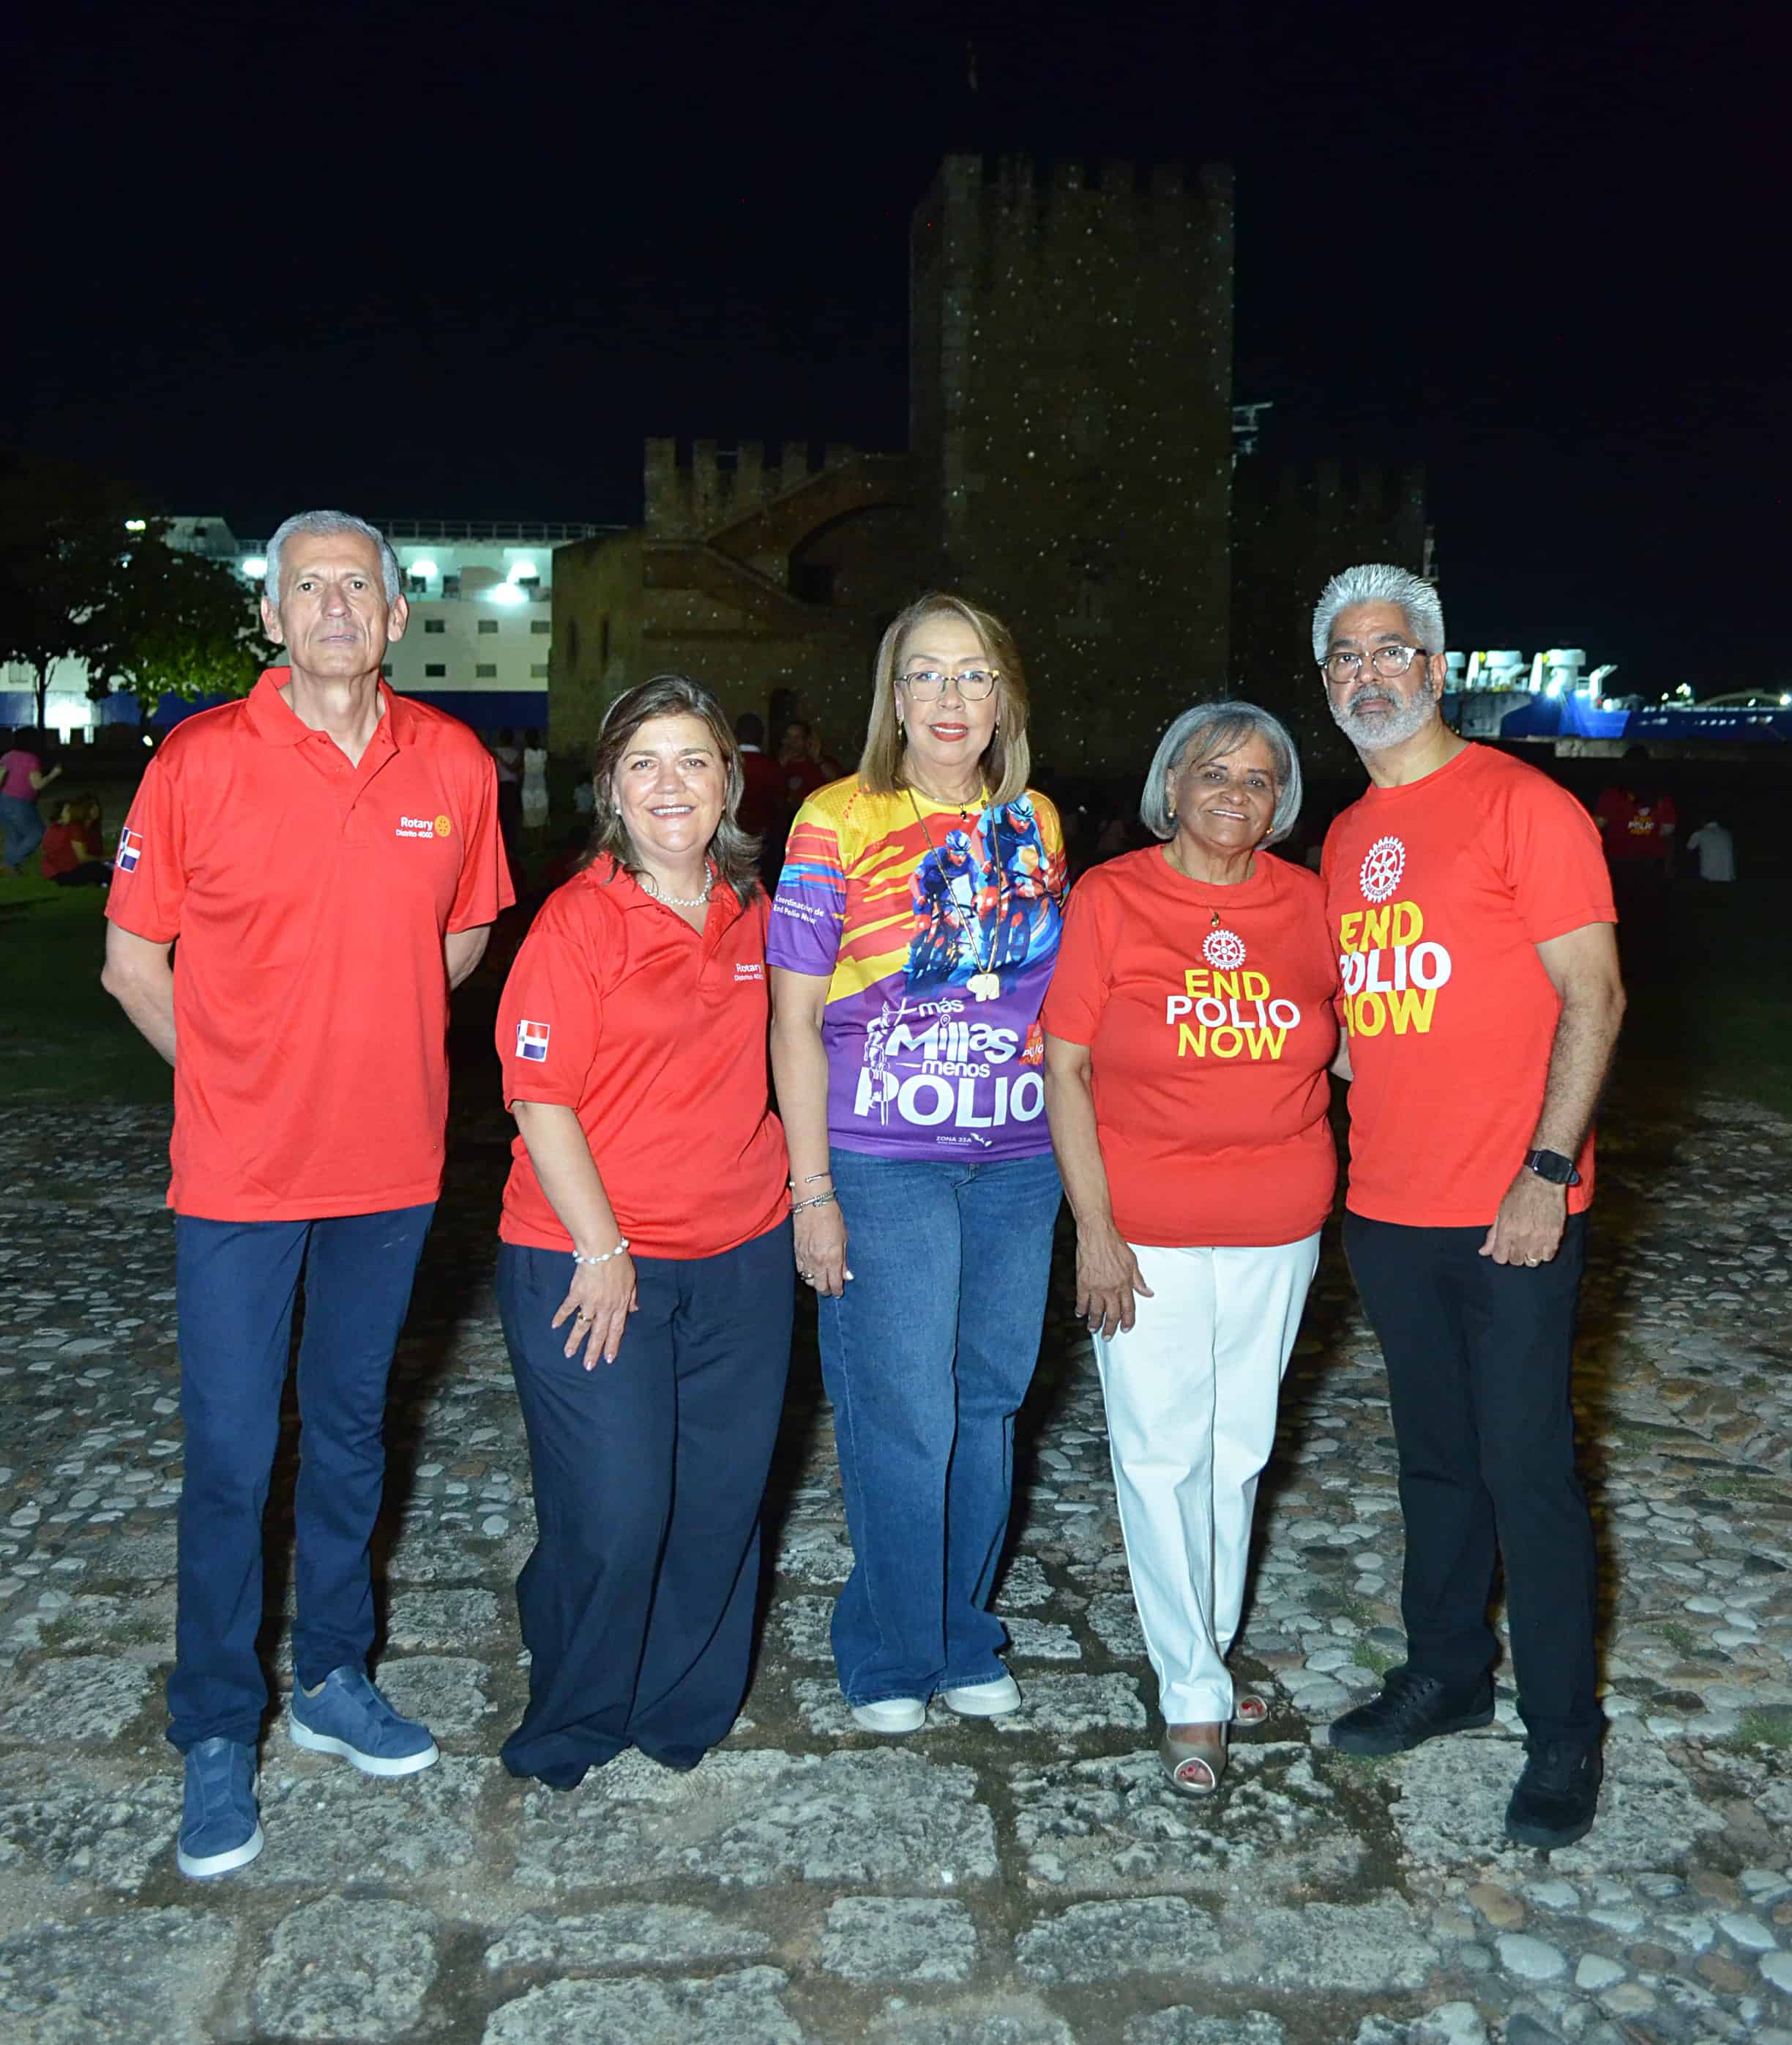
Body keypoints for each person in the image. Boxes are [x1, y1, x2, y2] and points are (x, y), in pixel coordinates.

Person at [102, 508, 512, 1881]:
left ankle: (335, 1675)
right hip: (237, 1174)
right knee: (229, 1453)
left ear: (398, 617)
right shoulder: (200, 757)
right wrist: (237, 1071)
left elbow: (462, 933)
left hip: (390, 1166)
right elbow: (128, 960)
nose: (335, 603)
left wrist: (367, 1043)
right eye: (307, 585)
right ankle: (218, 1721)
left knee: (348, 1432)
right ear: (270, 618)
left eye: (359, 585)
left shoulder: (451, 761)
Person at [1313, 562, 1624, 1852]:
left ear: (1434, 671)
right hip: (1386, 1204)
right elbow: (1351, 1026)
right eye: (1343, 657)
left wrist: (1544, 1174)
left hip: (1513, 1208)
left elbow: (1591, 996)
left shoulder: (1522, 804)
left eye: (1390, 651)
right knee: (1432, 1461)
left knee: (1525, 1468)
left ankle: (1564, 1731)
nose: (1366, 674)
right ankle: (1445, 1672)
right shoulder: (1337, 836)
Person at [768, 592, 1067, 1734]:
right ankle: (892, 1649)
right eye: (928, 676)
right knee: (905, 1414)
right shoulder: (833, 820)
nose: (952, 699)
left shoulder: (1034, 818)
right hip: (886, 1156)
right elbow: (793, 1022)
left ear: (1004, 700)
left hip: (1018, 1160)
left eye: (976, 675)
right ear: (895, 698)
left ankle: (958, 1629)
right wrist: (814, 1193)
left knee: (988, 1403)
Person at [493, 674, 792, 1787]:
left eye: (694, 760)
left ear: (730, 779)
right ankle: (574, 1713)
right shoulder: (579, 920)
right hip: (589, 1255)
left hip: (743, 1250)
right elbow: (539, 1096)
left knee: (717, 1501)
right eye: (644, 764)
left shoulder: (752, 909)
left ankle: (683, 1702)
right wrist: (603, 1247)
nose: (672, 785)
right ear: (612, 788)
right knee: (618, 1507)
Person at [1042, 701, 1339, 1796]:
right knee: (1160, 1453)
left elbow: (1355, 1042)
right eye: (1212, 772)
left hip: (1279, 1219)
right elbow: (1065, 1068)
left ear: (1282, 804)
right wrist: (1097, 1231)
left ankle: (1204, 1648)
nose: (1234, 792)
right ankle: (1191, 1690)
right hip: (1148, 1227)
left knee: (1240, 1447)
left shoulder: (1308, 904)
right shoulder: (1112, 897)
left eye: (1261, 779)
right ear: (1170, 786)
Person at [0, 729, 61, 873]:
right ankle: (9, 863)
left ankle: (12, 869)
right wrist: (54, 774)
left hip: (4, 800)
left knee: (13, 835)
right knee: (37, 833)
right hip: (20, 802)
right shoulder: (31, 759)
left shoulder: (7, 756)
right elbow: (37, 785)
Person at [41, 796, 111, 886]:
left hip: (62, 870)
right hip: (63, 871)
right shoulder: (69, 829)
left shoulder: (88, 828)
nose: (96, 810)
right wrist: (108, 858)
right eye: (69, 810)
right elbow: (81, 858)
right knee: (98, 869)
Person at [520, 727, 550, 837]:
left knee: (530, 818)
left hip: (527, 787)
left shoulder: (523, 753)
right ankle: (540, 846)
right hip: (541, 787)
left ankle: (534, 846)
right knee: (541, 817)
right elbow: (547, 771)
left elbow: (520, 771)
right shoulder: (543, 753)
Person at [1685, 817, 1736, 881]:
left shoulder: (1699, 833)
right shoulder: (1727, 833)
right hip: (1728, 875)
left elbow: (1688, 850)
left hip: (1709, 875)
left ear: (1703, 821)